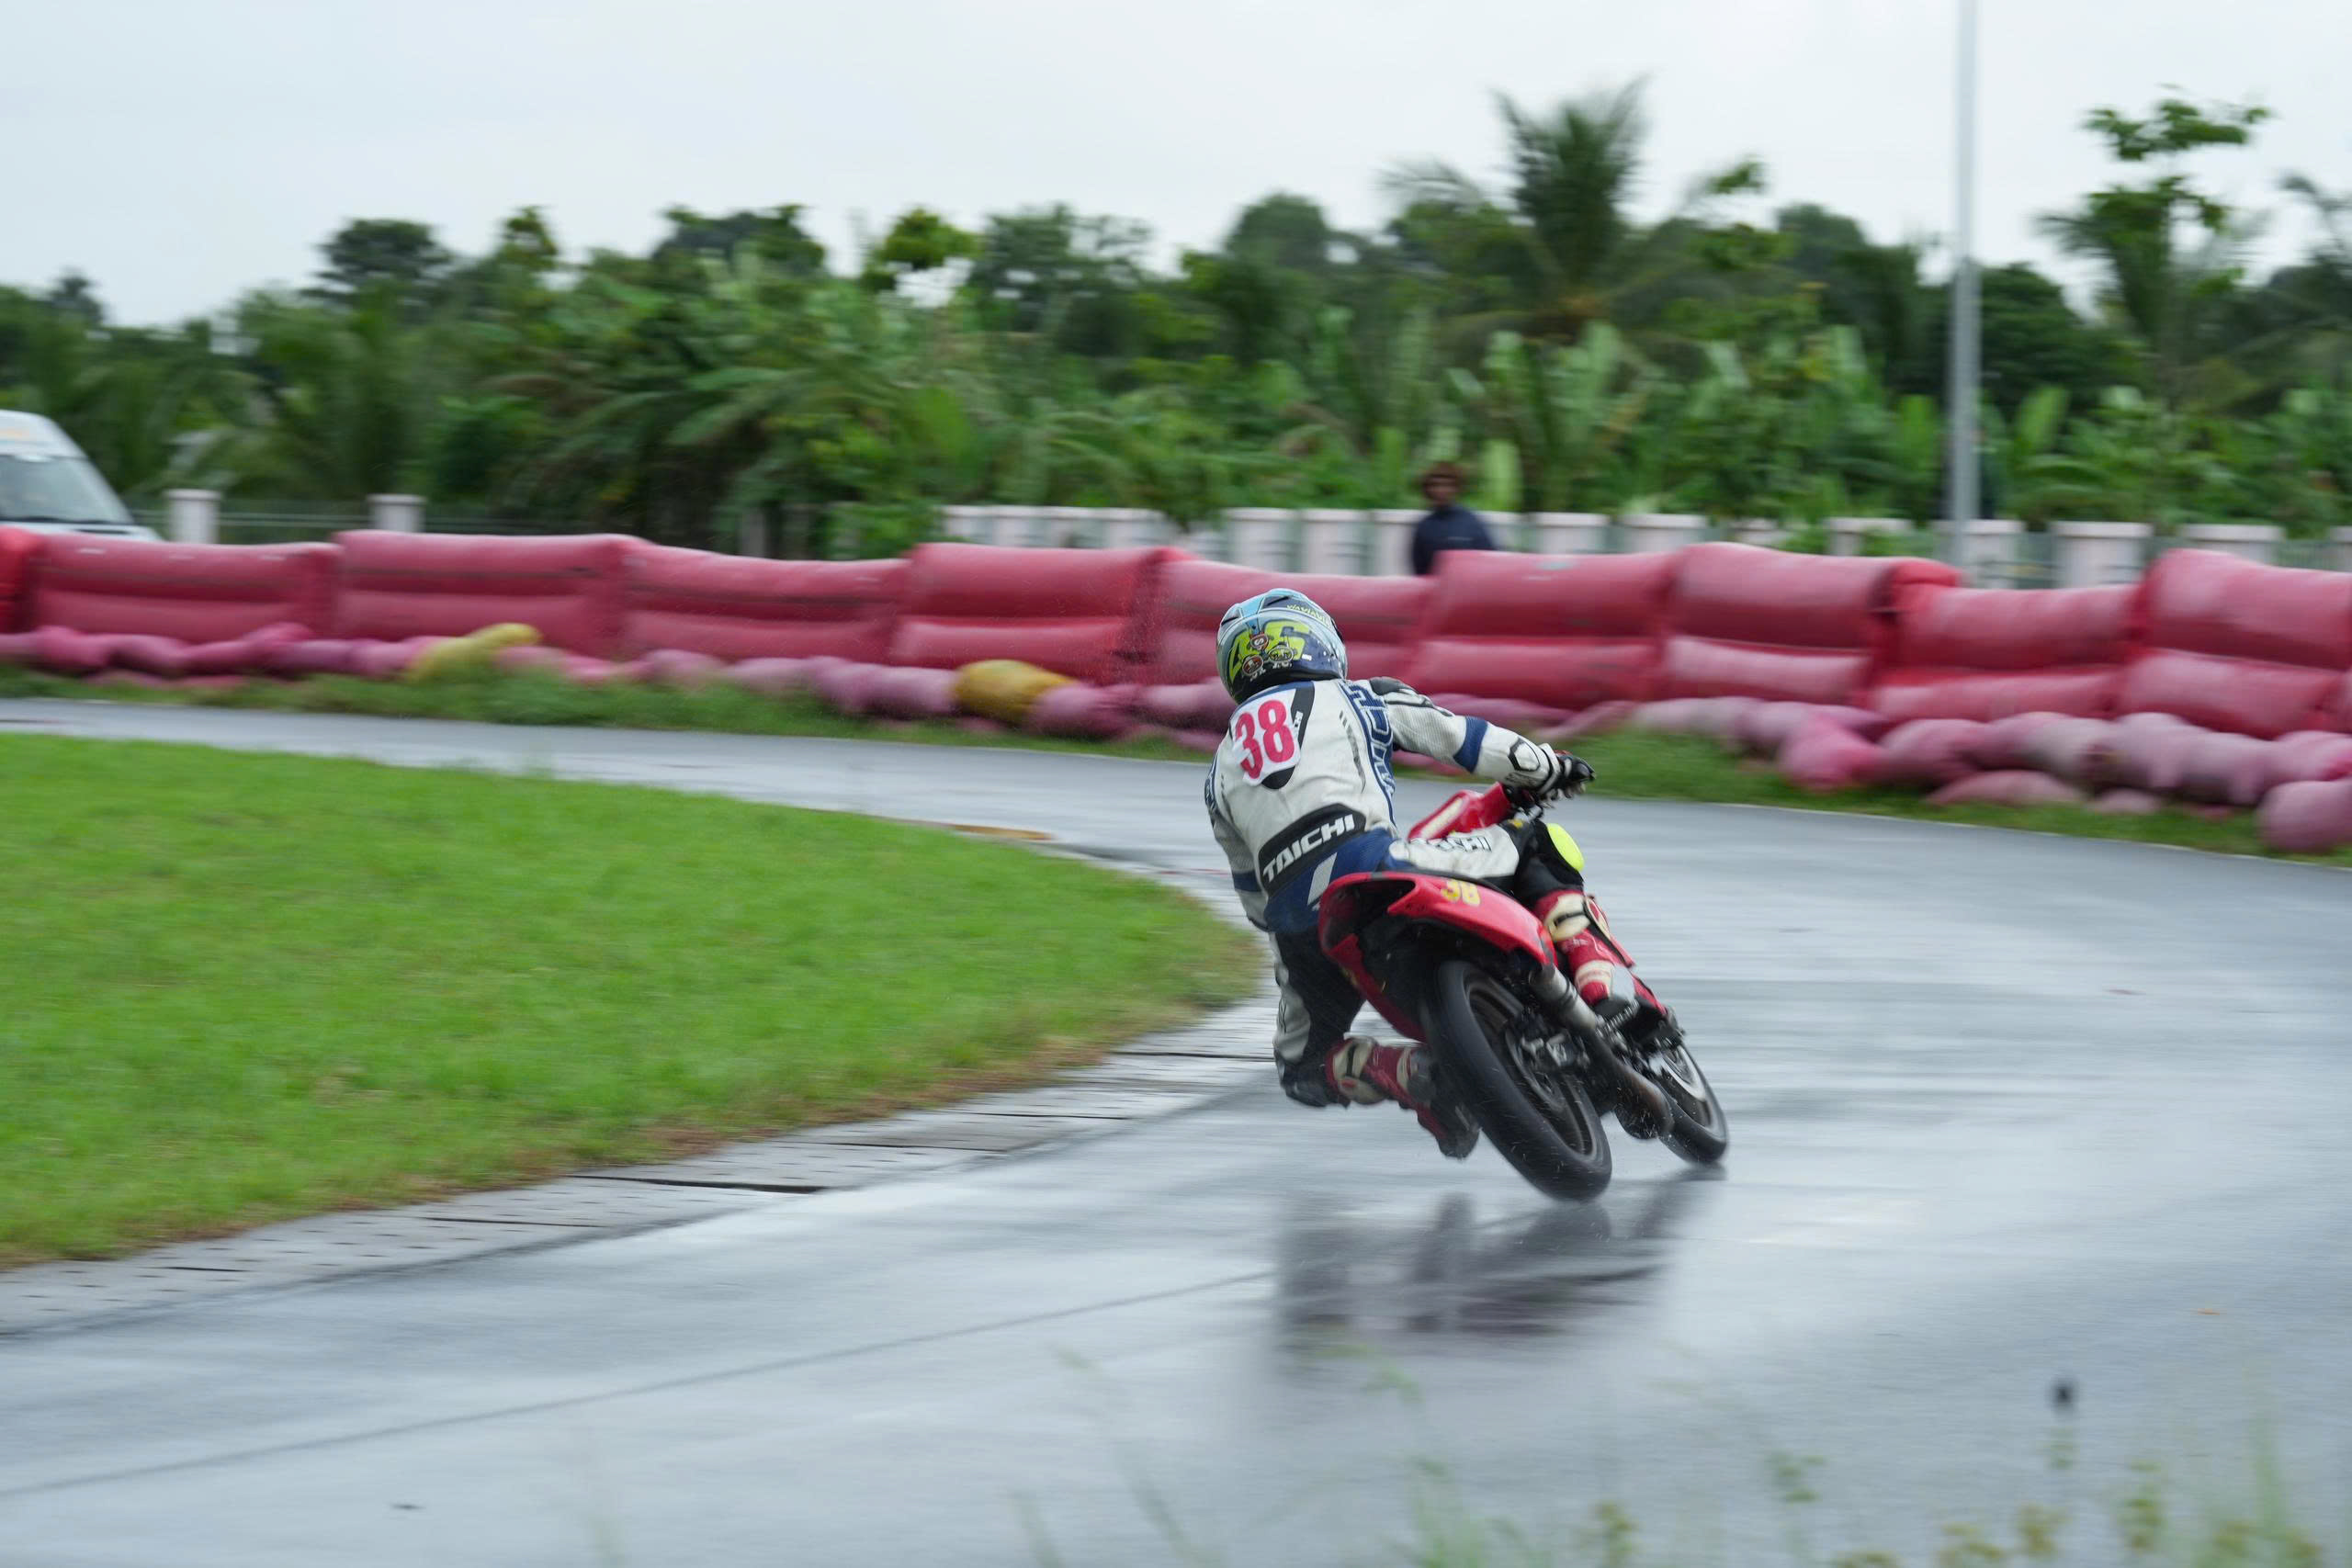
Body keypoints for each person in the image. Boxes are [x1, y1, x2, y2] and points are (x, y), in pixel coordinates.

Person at [1204, 589, 1649, 1158]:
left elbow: (1253, 900)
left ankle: (1405, 1070)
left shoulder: (1218, 771)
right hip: (1376, 866)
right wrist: (1547, 766)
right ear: (1317, 641)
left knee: (1302, 1067)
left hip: (1303, 929)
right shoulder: (1359, 697)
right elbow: (1463, 741)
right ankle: (1595, 976)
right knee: (1535, 843)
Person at [1408, 462, 1495, 577]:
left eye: (1447, 485)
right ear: (1427, 489)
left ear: (1456, 489)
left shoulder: (1471, 522)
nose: (1441, 490)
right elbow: (1419, 571)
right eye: (1435, 485)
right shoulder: (1424, 527)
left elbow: (1489, 562)